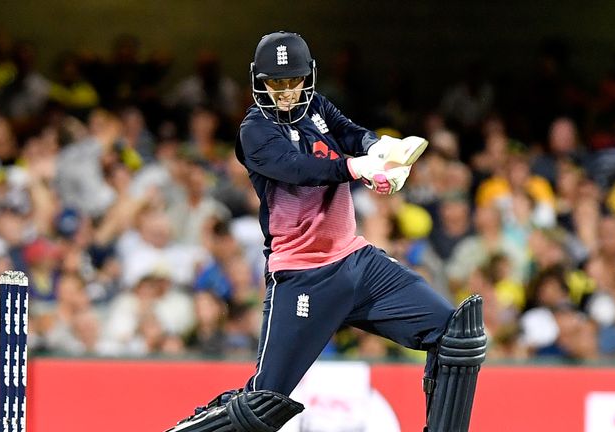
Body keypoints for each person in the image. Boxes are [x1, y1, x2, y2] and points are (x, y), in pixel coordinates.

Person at [166, 31, 486, 432]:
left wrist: (380, 150)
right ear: (258, 82)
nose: (284, 92)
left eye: (292, 81)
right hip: (303, 275)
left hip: (356, 261)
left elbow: (349, 132)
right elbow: (299, 170)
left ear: (308, 77)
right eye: (275, 83)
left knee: (456, 337)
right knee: (262, 406)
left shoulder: (314, 106)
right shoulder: (255, 130)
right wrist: (356, 168)